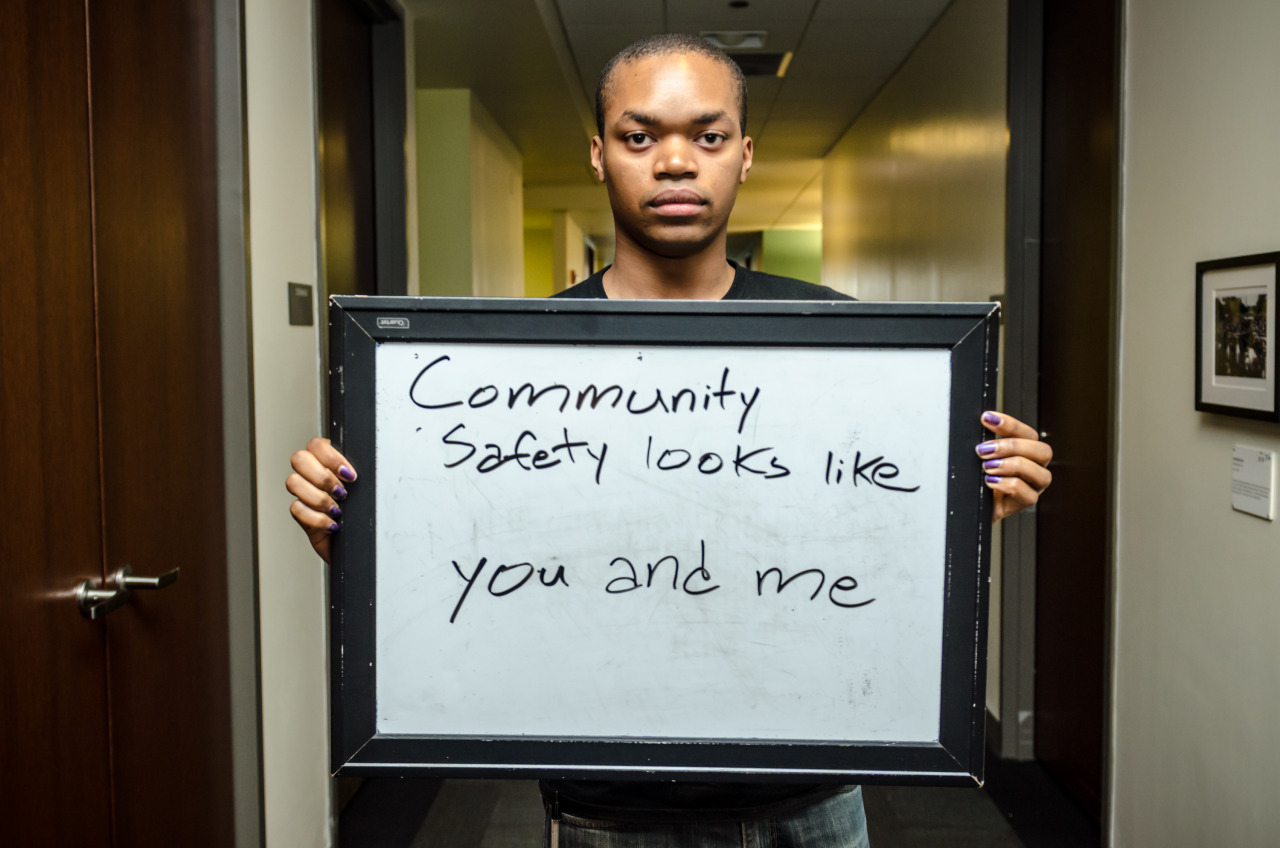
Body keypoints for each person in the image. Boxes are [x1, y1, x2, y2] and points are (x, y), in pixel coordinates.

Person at [287, 33, 1053, 848]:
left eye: (708, 136)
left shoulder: (840, 344)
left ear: (746, 155)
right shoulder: (514, 371)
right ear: (598, 153)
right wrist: (363, 542)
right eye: (640, 136)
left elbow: (862, 549)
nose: (676, 162)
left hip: (816, 798)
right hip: (609, 810)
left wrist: (969, 511)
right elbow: (488, 563)